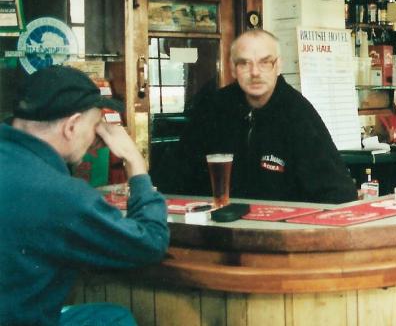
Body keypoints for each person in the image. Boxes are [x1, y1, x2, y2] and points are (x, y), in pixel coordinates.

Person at [0, 65, 169, 326]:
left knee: (109, 316)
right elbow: (150, 243)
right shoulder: (59, 195)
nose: (95, 138)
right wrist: (135, 164)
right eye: (94, 125)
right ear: (71, 126)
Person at [176, 29, 357, 203]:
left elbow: (339, 193)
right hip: (218, 226)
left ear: (278, 66)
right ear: (232, 68)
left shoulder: (298, 114)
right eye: (244, 63)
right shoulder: (213, 108)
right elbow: (176, 177)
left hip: (281, 229)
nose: (255, 72)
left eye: (265, 62)